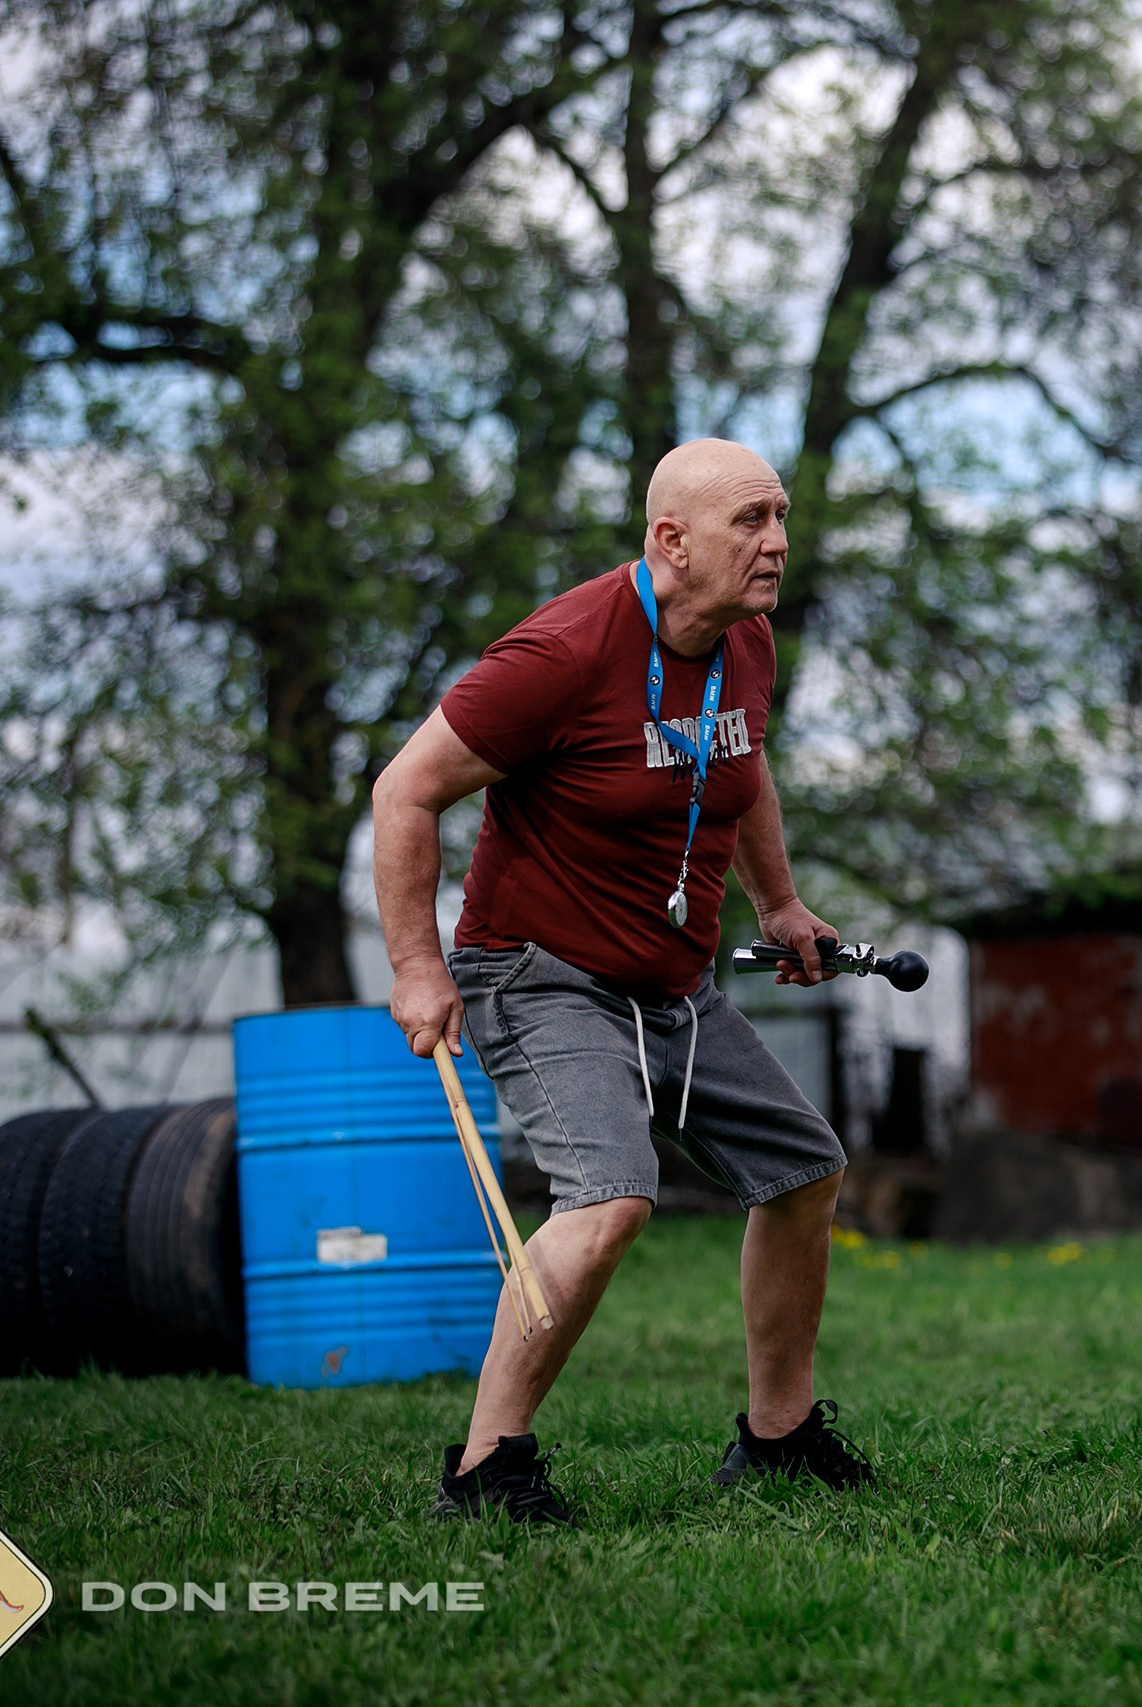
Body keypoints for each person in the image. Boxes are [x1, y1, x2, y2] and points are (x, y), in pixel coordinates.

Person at [372, 438, 870, 1524]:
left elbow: (741, 766)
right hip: (534, 973)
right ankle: (485, 1467)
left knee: (801, 1172)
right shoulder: (558, 652)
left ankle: (778, 1440)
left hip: (669, 982)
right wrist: (415, 965)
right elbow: (405, 791)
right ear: (669, 541)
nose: (777, 542)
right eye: (751, 521)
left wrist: (780, 904)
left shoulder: (744, 640)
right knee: (609, 1199)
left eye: (780, 517)